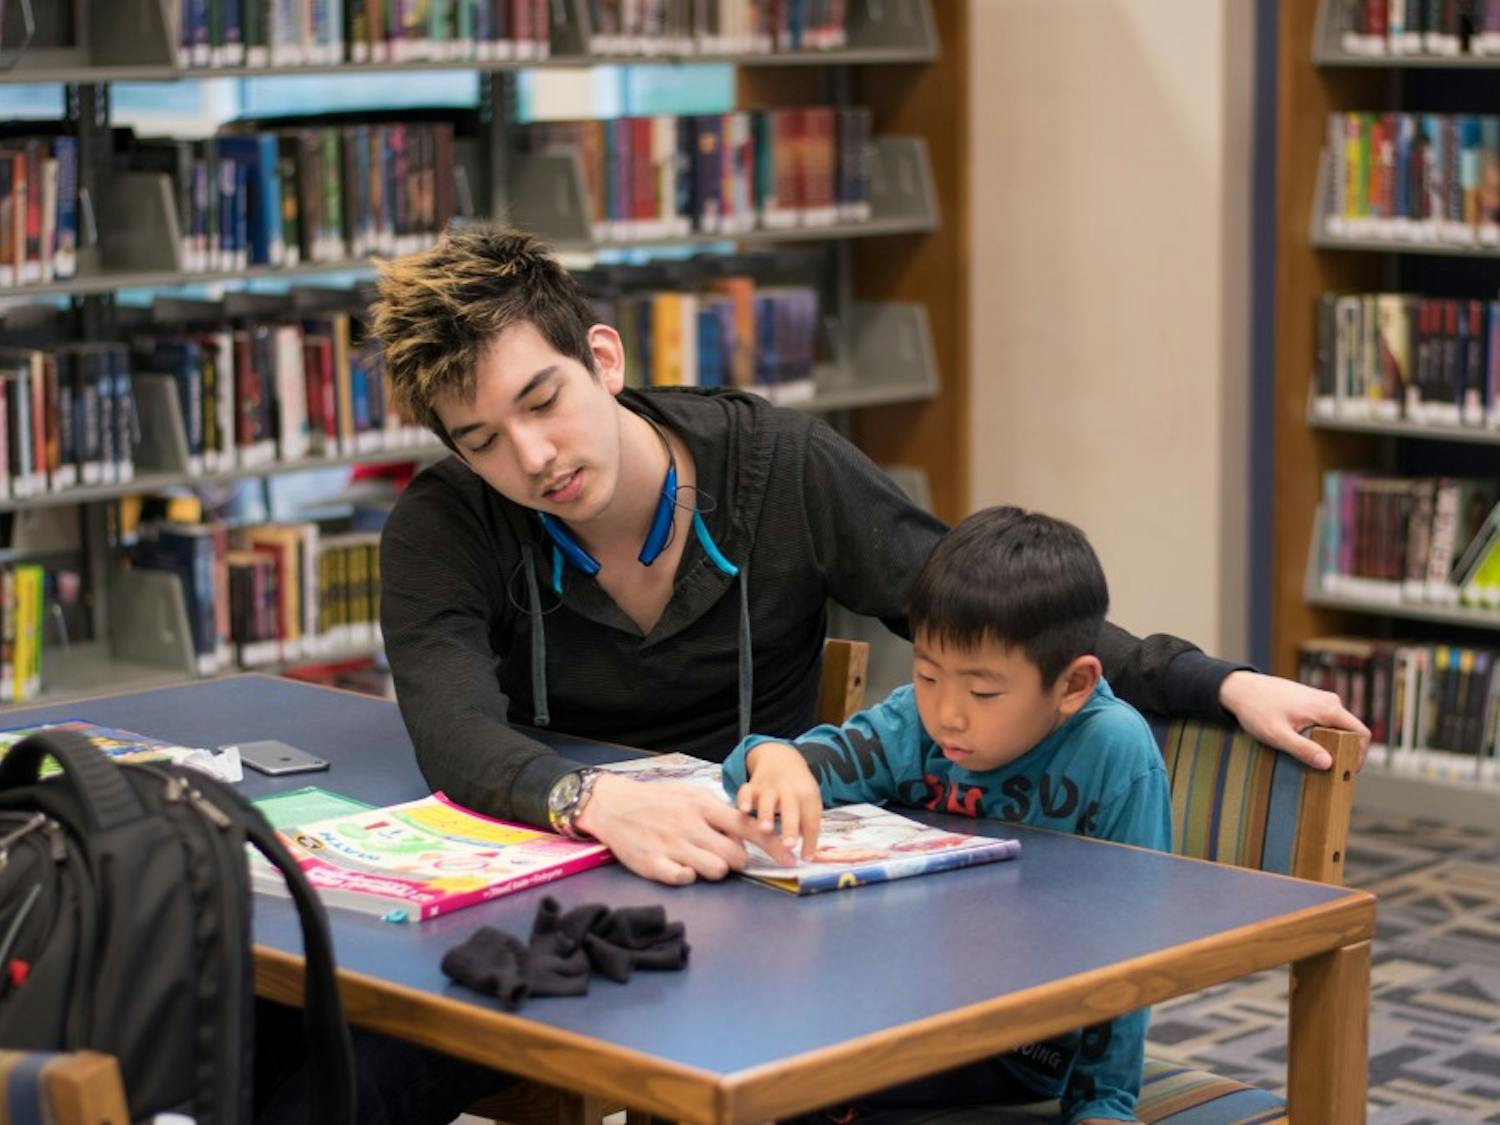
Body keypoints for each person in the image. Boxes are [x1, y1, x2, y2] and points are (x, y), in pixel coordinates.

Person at [370, 224, 1369, 889]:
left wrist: (1219, 680)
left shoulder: (781, 468)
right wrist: (595, 804)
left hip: (751, 872)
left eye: (541, 403)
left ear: (604, 359)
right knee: (331, 1032)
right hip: (557, 859)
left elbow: (980, 607)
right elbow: (449, 725)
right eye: (484, 439)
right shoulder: (445, 523)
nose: (531, 457)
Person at [724, 506, 1167, 1124]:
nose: (948, 714)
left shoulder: (1112, 751)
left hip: (1024, 1042)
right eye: (928, 673)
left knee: (795, 1086)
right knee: (742, 1046)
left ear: (1071, 686)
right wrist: (772, 759)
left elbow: (1128, 943)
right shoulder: (917, 721)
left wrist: (1103, 1105)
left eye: (983, 692)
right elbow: (784, 767)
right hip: (904, 999)